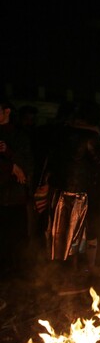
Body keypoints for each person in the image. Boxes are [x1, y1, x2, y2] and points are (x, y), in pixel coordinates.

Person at [46, 101, 100, 294]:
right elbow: (99, 161)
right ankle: (68, 280)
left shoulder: (59, 133)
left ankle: (57, 277)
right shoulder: (90, 136)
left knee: (58, 235)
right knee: (74, 237)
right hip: (76, 194)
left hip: (59, 191)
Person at [0, 98, 33, 280]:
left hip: (15, 195)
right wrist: (11, 167)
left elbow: (27, 164)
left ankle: (18, 272)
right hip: (3, 193)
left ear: (7, 112)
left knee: (17, 236)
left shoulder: (19, 135)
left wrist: (10, 155)